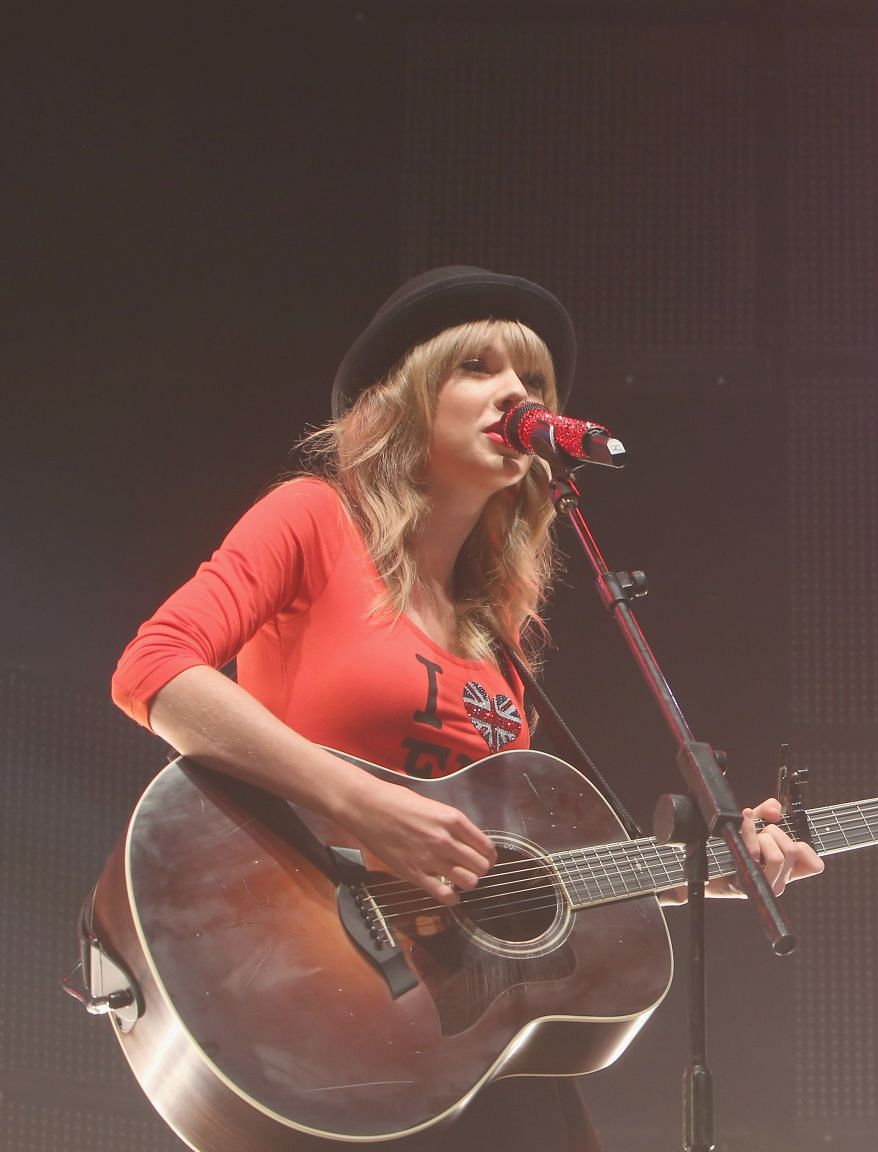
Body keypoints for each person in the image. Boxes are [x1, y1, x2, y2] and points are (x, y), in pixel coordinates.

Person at [111, 265, 823, 1150]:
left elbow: (497, 876)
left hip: (455, 1024)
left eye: (532, 382)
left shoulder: (501, 636)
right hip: (307, 981)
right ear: (404, 396)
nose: (516, 394)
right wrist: (361, 802)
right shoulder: (313, 520)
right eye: (478, 368)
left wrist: (701, 872)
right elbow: (154, 669)